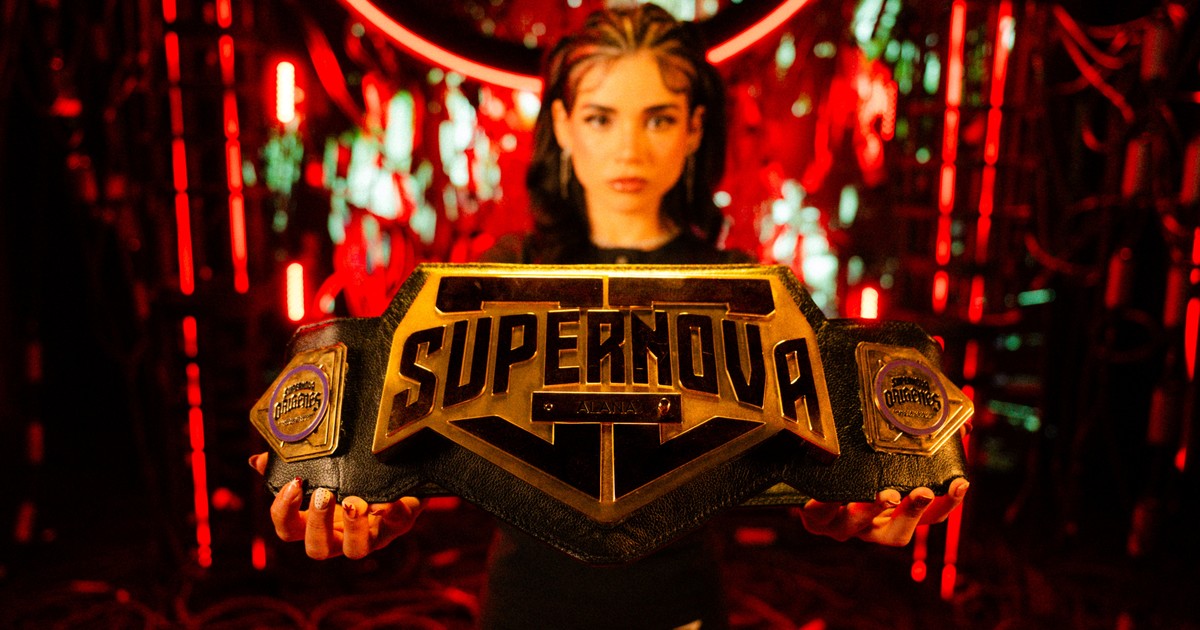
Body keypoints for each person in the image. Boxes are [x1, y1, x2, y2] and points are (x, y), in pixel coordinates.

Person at [251, 4, 969, 629]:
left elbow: (812, 453)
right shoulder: (496, 277)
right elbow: (404, 436)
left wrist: (854, 492)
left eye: (658, 117)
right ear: (563, 125)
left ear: (694, 129)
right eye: (601, 117)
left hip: (678, 606)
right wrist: (372, 491)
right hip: (527, 608)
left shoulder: (747, 291)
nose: (629, 148)